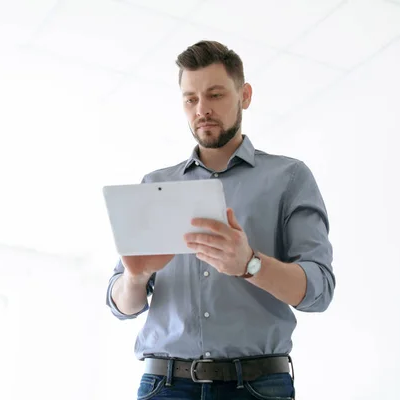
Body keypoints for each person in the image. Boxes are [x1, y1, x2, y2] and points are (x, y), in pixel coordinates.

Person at [105, 40, 336, 400]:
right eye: (190, 99)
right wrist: (136, 277)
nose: (202, 109)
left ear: (244, 95)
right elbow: (122, 305)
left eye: (215, 95)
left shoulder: (289, 178)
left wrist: (250, 264)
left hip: (257, 387)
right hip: (164, 386)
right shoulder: (155, 185)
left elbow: (319, 290)